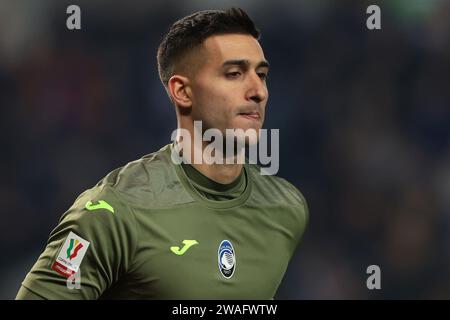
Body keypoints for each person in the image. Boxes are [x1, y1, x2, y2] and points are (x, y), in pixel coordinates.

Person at [16, 7, 309, 299]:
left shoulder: (286, 208)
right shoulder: (112, 212)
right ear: (182, 92)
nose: (258, 91)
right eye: (234, 74)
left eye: (262, 74)